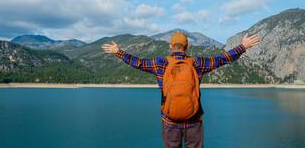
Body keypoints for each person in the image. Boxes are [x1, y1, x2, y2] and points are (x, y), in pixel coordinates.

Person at [102, 32, 260, 148]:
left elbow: (138, 62)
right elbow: (221, 59)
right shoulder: (197, 63)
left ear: (170, 46)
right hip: (194, 121)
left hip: (169, 121)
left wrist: (118, 52)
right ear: (187, 47)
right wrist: (242, 47)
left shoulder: (161, 63)